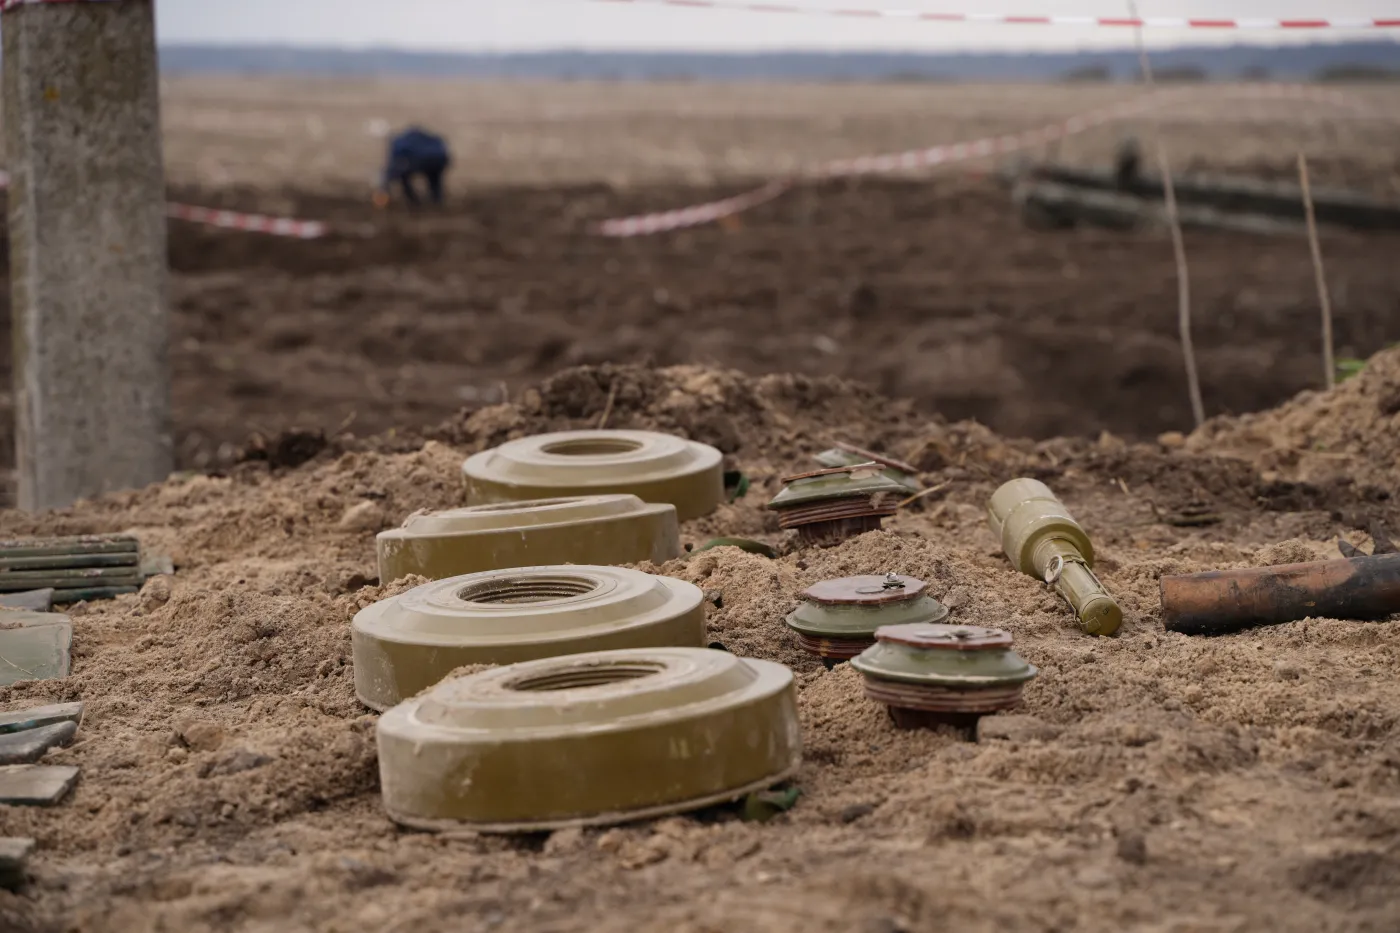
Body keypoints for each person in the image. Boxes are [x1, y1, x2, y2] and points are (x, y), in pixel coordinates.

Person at [374, 127, 451, 207]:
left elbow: (392, 170)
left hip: (423, 159)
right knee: (434, 180)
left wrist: (383, 189)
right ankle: (436, 200)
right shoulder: (433, 141)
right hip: (438, 159)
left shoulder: (400, 144)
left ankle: (414, 201)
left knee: (403, 176)